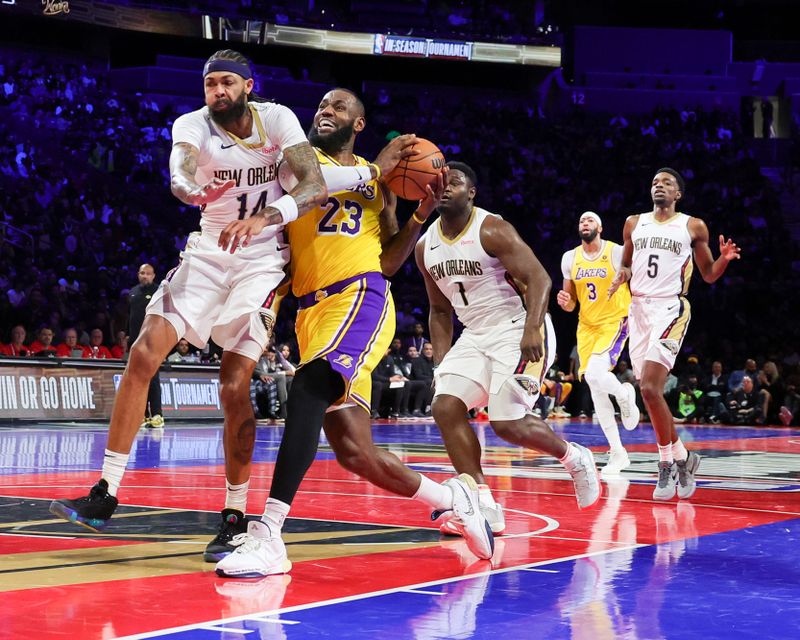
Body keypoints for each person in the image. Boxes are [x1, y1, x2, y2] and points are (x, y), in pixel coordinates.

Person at [214, 88, 494, 579]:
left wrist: (418, 215)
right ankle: (455, 498)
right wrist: (378, 167)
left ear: (358, 124)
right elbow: (314, 185)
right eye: (322, 105)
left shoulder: (380, 183)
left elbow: (387, 260)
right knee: (353, 451)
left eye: (339, 107)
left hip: (359, 296)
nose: (326, 111)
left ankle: (269, 535)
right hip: (311, 311)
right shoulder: (296, 160)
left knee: (306, 390)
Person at [49, 49, 330, 533]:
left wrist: (266, 218)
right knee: (141, 355)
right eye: (210, 84)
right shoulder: (193, 124)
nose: (217, 92)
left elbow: (315, 184)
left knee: (232, 384)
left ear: (248, 84)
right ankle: (105, 492)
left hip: (262, 262)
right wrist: (187, 188)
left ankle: (234, 512)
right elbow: (180, 167)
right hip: (207, 254)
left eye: (227, 83)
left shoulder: (278, 119)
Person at [415, 161, 601, 539]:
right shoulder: (424, 247)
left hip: (517, 327)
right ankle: (484, 503)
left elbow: (539, 277)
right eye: (440, 181)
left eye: (455, 181)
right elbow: (438, 310)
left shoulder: (492, 228)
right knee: (444, 405)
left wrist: (533, 326)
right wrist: (443, 359)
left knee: (506, 422)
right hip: (475, 333)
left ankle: (574, 456)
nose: (446, 186)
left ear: (472, 193)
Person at [609, 167, 740, 500]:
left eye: (666, 183)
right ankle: (684, 457)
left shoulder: (692, 226)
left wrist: (723, 259)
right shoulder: (633, 223)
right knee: (648, 393)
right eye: (655, 182)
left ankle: (665, 462)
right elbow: (626, 263)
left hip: (671, 308)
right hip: (638, 309)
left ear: (678, 194)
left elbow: (708, 275)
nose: (659, 186)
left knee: (652, 386)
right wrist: (621, 275)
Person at [557, 211, 639, 478]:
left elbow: (632, 276)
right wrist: (565, 301)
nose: (585, 223)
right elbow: (570, 303)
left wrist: (624, 279)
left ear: (600, 227)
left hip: (615, 320)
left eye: (590, 220)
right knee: (594, 386)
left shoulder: (615, 252)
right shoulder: (570, 258)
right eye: (581, 220)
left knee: (594, 374)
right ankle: (617, 452)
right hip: (587, 326)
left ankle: (625, 394)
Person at [128, 263, 163, 429]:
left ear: (154, 275)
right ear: (138, 274)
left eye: (148, 273)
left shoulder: (159, 291)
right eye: (142, 273)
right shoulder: (133, 292)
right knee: (137, 379)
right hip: (136, 342)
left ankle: (157, 415)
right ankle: (141, 415)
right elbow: (131, 318)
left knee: (153, 378)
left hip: (153, 340)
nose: (145, 276)